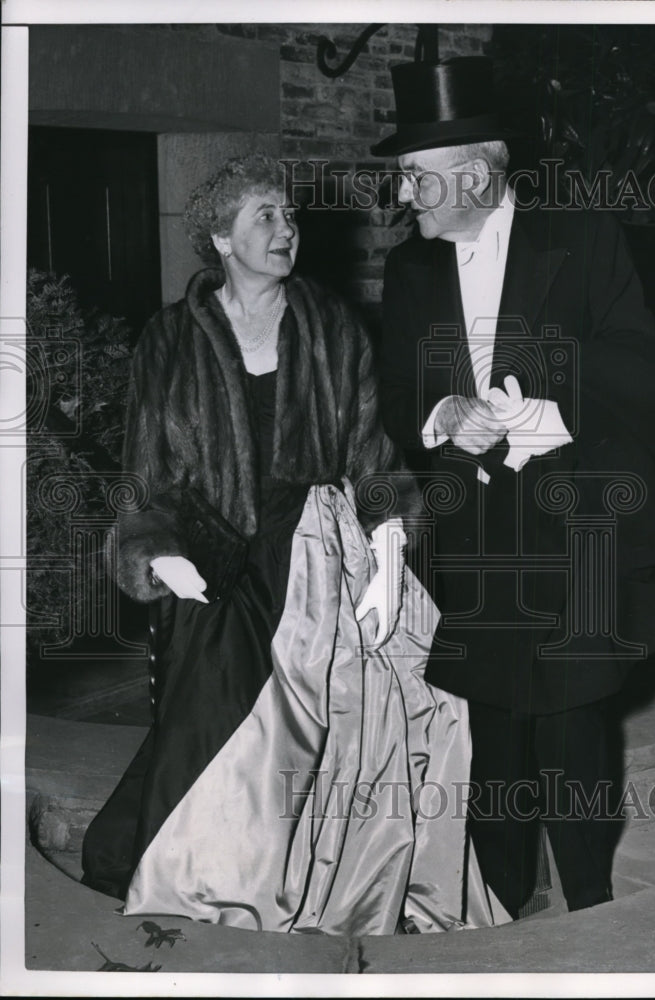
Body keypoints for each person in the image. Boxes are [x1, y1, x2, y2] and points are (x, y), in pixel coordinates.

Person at [81, 151, 505, 935]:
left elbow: (371, 458)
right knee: (209, 711)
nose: (286, 230)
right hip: (205, 551)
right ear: (219, 239)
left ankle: (298, 882)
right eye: (264, 217)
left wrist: (385, 557)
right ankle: (202, 880)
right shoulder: (169, 339)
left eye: (289, 215)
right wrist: (154, 552)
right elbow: (144, 473)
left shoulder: (330, 323)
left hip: (313, 550)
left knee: (323, 730)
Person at [373, 58, 655, 916]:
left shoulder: (581, 239)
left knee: (576, 723)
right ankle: (502, 899)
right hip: (473, 528)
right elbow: (397, 395)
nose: (406, 196)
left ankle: (591, 900)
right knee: (494, 723)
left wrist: (546, 401)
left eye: (417, 178)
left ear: (474, 170)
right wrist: (442, 415)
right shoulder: (410, 272)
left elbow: (645, 368)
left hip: (572, 517)